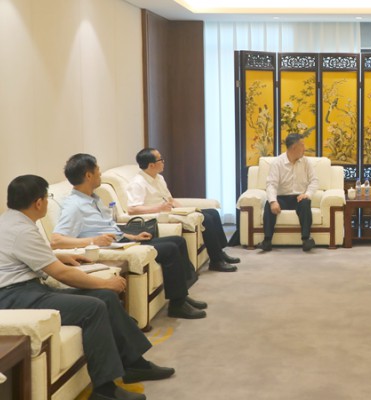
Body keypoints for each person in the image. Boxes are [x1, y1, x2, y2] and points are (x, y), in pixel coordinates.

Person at [0, 175, 175, 400]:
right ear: (38, 202)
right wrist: (106, 283)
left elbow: (27, 257)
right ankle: (104, 390)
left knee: (106, 298)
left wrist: (60, 256)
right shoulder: (22, 230)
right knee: (94, 307)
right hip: (16, 296)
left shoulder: (12, 221)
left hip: (27, 289)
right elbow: (62, 275)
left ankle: (134, 364)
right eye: (47, 197)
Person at [51, 153, 207, 319]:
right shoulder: (74, 205)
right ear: (88, 175)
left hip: (122, 241)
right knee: (170, 249)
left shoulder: (94, 198)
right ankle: (177, 305)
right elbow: (56, 240)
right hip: (109, 247)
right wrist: (93, 241)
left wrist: (131, 236)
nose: (100, 174)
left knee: (178, 241)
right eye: (97, 170)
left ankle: (182, 296)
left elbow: (107, 226)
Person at [126, 148, 239, 272]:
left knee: (213, 213)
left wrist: (186, 210)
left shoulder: (159, 178)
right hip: (158, 216)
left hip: (170, 211)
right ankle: (216, 261)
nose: (163, 161)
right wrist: (159, 207)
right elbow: (132, 209)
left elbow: (170, 199)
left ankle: (220, 253)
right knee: (206, 219)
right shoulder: (138, 183)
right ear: (151, 165)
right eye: (160, 159)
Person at [256, 133, 319, 252]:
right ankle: (267, 241)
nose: (305, 148)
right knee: (269, 204)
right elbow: (271, 184)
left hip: (299, 198)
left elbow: (314, 181)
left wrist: (307, 194)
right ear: (294, 147)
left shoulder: (306, 162)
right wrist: (273, 201)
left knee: (305, 202)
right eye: (302, 145)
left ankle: (306, 239)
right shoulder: (277, 162)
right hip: (282, 197)